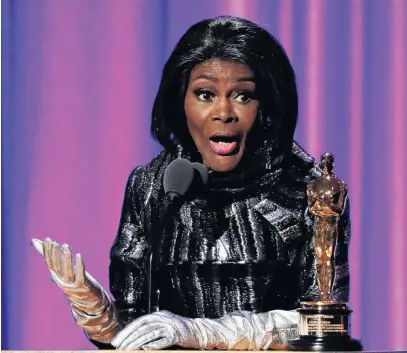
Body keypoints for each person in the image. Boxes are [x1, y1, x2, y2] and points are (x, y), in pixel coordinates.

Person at [32, 16, 351, 350]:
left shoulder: (312, 192)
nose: (223, 112)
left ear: (267, 106)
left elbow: (323, 327)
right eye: (204, 94)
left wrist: (204, 334)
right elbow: (135, 329)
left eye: (243, 95)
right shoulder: (152, 186)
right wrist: (96, 312)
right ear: (180, 102)